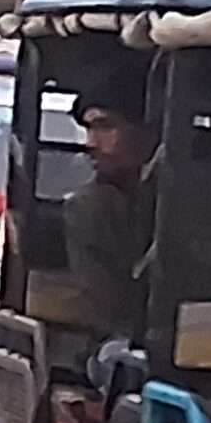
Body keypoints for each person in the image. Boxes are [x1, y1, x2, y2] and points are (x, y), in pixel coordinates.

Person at [64, 91, 152, 339]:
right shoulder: (90, 207)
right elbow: (108, 306)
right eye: (90, 129)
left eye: (106, 127)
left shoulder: (184, 195)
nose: (91, 143)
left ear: (144, 130)